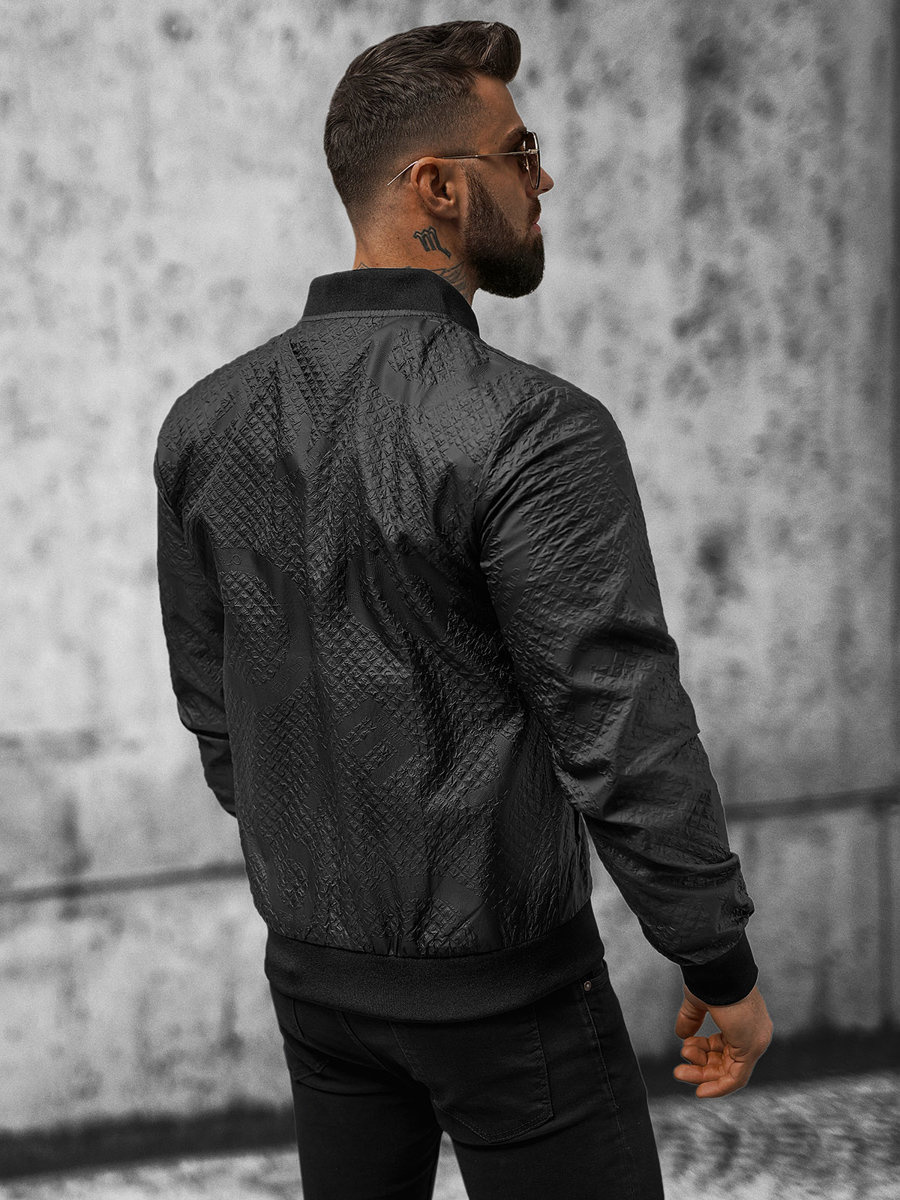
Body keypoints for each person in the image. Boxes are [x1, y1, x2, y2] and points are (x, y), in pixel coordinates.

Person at [153, 18, 773, 1200]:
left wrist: (326, 882)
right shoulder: (533, 430)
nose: (545, 181)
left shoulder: (206, 421)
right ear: (436, 186)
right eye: (521, 151)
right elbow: (619, 727)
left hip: (318, 984)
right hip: (509, 998)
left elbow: (216, 706)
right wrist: (718, 960)